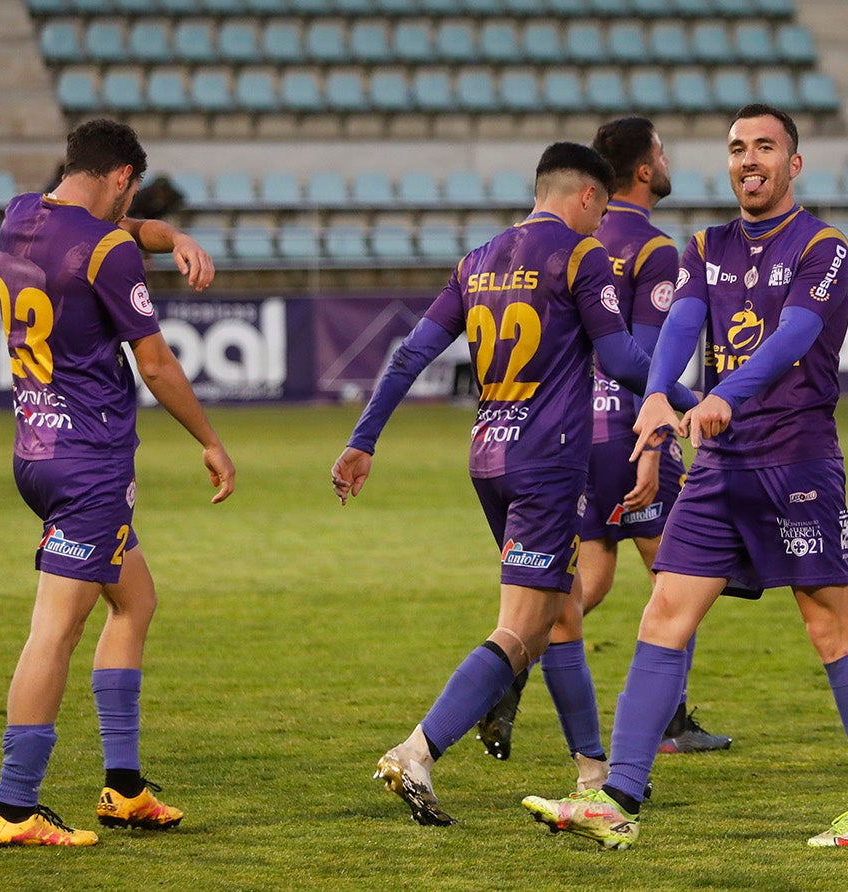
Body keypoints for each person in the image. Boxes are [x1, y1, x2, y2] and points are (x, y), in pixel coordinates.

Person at [523, 104, 848, 850]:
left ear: (794, 165)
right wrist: (660, 393)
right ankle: (620, 797)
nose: (749, 158)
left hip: (795, 459)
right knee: (664, 611)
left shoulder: (823, 247)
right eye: (737, 148)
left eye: (765, 146)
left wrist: (724, 396)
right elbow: (680, 325)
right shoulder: (705, 245)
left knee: (828, 625)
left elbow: (794, 337)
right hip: (720, 465)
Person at [332, 142, 696, 826]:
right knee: (522, 629)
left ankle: (592, 770)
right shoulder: (580, 255)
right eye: (600, 207)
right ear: (586, 196)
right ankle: (418, 750)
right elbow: (619, 356)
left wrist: (363, 438)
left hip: (488, 458)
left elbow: (413, 352)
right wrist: (690, 395)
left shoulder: (477, 260)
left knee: (564, 609)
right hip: (548, 462)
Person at [0, 118, 235, 848]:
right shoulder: (105, 253)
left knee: (136, 599)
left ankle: (123, 788)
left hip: (35, 446)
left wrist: (173, 236)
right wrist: (212, 443)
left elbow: (119, 230)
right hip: (87, 464)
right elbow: (156, 366)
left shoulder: (20, 216)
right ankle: (14, 806)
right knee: (53, 633)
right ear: (123, 176)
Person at [475, 118, 730, 763]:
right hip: (624, 429)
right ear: (643, 170)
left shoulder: (568, 236)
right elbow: (646, 361)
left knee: (584, 577)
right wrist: (668, 424)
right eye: (662, 153)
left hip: (562, 433)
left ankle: (509, 667)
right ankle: (669, 721)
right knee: (679, 573)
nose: (667, 160)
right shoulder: (654, 249)